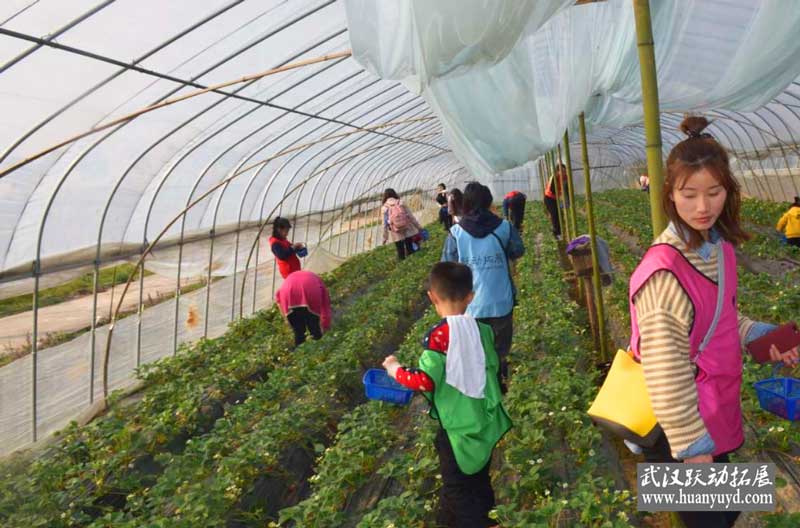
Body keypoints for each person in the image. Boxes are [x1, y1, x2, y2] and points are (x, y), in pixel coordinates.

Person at [628, 116, 799, 528]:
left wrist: (760, 335)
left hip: (714, 410)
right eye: (689, 195)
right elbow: (666, 369)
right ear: (670, 193)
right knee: (709, 521)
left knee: (729, 508)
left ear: (728, 191)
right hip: (679, 425)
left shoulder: (714, 248)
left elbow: (719, 316)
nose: (703, 207)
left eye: (714, 192)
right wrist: (692, 449)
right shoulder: (664, 272)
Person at [383, 262, 511, 528]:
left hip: (455, 431)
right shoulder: (483, 330)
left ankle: (484, 523)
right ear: (471, 296)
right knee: (477, 480)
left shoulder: (438, 338)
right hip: (482, 424)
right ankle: (462, 520)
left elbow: (424, 381)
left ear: (431, 297)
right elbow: (492, 367)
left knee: (458, 489)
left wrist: (395, 369)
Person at [442, 182, 524, 388]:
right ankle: (500, 380)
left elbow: (447, 266)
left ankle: (486, 386)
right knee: (500, 348)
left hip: (471, 305)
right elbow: (518, 250)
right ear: (489, 203)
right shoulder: (504, 227)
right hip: (501, 300)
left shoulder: (456, 233)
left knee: (478, 348)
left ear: (465, 204)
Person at [275, 270, 331, 347]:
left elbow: (278, 299)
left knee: (298, 330)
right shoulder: (318, 281)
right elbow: (325, 306)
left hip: (287, 293)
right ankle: (318, 346)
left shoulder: (292, 278)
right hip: (310, 291)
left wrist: (285, 318)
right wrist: (325, 325)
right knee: (313, 326)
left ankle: (300, 348)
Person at [382, 188, 423, 260]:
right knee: (409, 246)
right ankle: (412, 261)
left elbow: (385, 224)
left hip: (395, 230)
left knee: (400, 250)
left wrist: (385, 237)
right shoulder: (401, 202)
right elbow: (410, 216)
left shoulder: (385, 207)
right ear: (394, 194)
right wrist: (418, 226)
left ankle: (403, 262)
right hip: (407, 227)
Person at [543, 163, 565, 240]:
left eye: (564, 170)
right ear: (557, 171)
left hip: (554, 199)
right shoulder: (555, 177)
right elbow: (552, 190)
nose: (563, 172)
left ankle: (558, 231)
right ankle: (557, 234)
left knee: (559, 215)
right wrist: (561, 195)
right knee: (555, 215)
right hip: (549, 198)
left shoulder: (562, 177)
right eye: (561, 171)